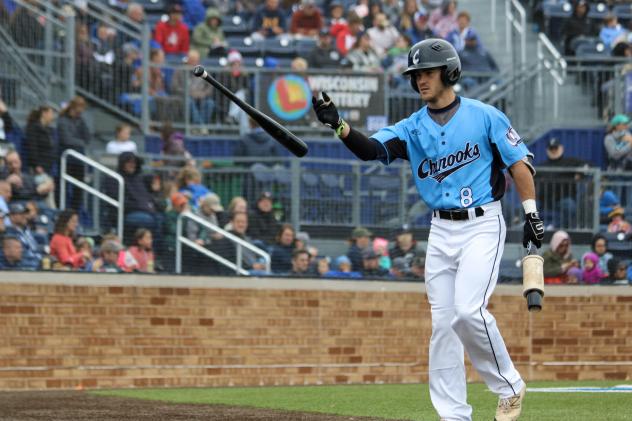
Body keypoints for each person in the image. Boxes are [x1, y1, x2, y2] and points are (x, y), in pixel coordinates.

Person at [312, 38, 542, 421]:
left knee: (468, 313)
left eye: (428, 72)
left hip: (482, 223)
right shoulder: (411, 127)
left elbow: (519, 164)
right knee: (443, 327)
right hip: (440, 230)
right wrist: (338, 125)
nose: (420, 79)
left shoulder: (485, 115)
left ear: (448, 72)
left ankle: (509, 386)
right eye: (416, 74)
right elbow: (370, 149)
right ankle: (453, 415)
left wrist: (532, 214)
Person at [57, 96, 90, 211]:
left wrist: (81, 122)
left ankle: (75, 213)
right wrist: (80, 142)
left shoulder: (80, 120)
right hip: (66, 159)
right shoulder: (62, 120)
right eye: (79, 108)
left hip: (79, 160)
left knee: (78, 190)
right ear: (74, 107)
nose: (81, 111)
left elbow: (87, 138)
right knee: (64, 188)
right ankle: (62, 211)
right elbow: (66, 140)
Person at [23, 105, 56, 175]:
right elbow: (32, 147)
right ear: (44, 113)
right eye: (51, 113)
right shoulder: (33, 128)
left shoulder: (49, 130)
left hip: (48, 166)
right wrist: (36, 165)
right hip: (38, 168)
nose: (53, 117)